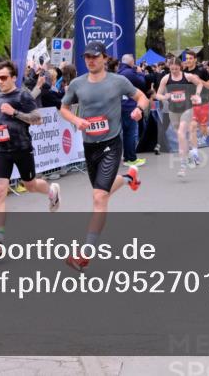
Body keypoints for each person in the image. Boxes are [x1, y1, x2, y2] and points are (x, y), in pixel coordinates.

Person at [58, 41, 148, 272]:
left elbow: (143, 97)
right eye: (87, 56)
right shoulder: (77, 84)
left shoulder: (118, 81)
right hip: (90, 146)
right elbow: (63, 108)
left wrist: (139, 109)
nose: (91, 60)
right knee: (102, 190)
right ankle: (129, 178)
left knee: (99, 197)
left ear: (105, 58)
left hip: (111, 144)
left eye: (95, 57)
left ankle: (85, 254)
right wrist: (76, 120)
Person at [0, 60, 60, 254]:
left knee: (30, 185)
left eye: (4, 77)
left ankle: (52, 192)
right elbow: (0, 121)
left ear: (14, 78)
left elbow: (37, 119)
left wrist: (15, 112)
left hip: (22, 148)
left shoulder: (23, 95)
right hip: (1, 149)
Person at [153, 56, 204, 178]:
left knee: (182, 133)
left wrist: (197, 95)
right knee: (181, 136)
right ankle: (192, 153)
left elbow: (200, 84)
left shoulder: (187, 76)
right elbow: (157, 95)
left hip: (187, 108)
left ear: (180, 67)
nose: (174, 71)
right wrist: (164, 97)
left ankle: (182, 165)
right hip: (173, 111)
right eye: (172, 69)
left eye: (176, 69)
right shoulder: (166, 78)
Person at [183, 50, 209, 162]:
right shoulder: (185, 72)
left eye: (191, 58)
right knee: (192, 127)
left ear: (195, 59)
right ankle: (195, 154)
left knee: (203, 129)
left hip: (203, 102)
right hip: (191, 104)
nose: (188, 61)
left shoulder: (202, 70)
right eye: (186, 58)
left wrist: (200, 81)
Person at [117, 54, 147, 168]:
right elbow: (142, 83)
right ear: (131, 61)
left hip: (120, 105)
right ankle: (131, 158)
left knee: (125, 133)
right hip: (129, 106)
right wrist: (140, 72)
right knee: (130, 133)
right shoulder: (129, 73)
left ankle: (126, 156)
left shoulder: (118, 72)